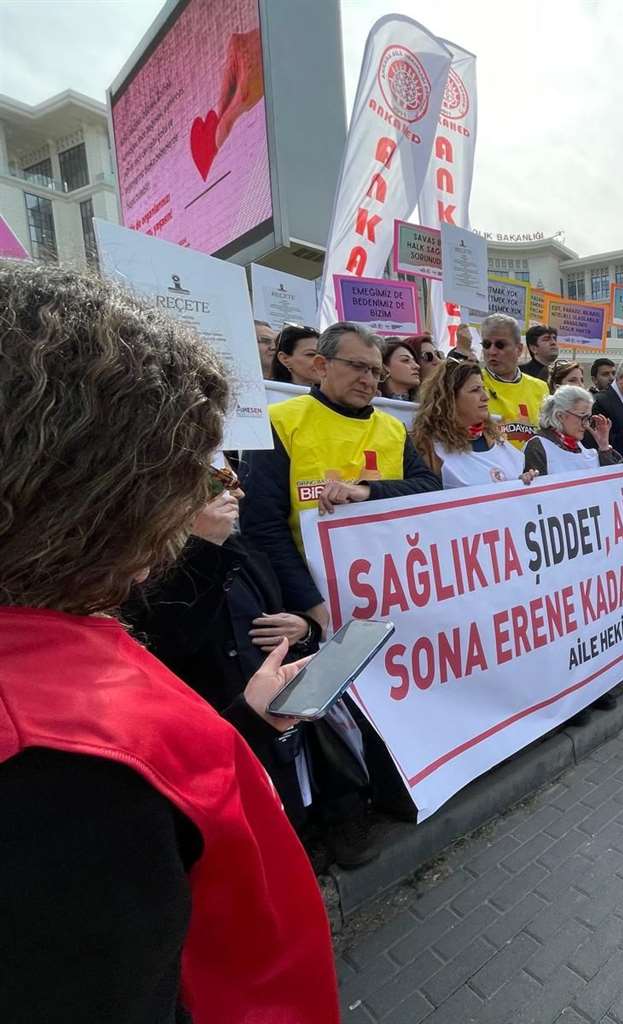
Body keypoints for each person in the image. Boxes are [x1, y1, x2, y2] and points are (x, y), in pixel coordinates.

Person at [0, 260, 338, 1022]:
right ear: (90, 484)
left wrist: (243, 728)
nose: (202, 494)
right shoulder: (60, 760)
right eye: (183, 470)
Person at [123, 473, 377, 868]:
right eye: (219, 486)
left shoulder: (246, 549)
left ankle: (327, 824)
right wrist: (202, 548)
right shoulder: (143, 572)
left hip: (277, 714)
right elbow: (168, 640)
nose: (237, 494)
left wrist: (302, 628)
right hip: (223, 718)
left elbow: (287, 613)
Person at [239, 321, 441, 632]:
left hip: (390, 594)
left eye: (376, 372)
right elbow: (262, 525)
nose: (368, 380)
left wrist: (366, 492)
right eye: (358, 367)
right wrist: (312, 604)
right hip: (311, 601)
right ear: (322, 365)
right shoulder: (280, 421)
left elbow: (428, 489)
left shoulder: (392, 429)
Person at [412, 359, 539, 488]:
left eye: (483, 389)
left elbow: (511, 481)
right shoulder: (430, 448)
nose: (485, 397)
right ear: (450, 398)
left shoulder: (496, 438)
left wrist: (523, 481)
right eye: (475, 390)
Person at [480, 313, 549, 448]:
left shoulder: (540, 387)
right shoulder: (474, 386)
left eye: (500, 345)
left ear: (519, 349)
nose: (492, 351)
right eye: (487, 344)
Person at [523, 385, 621, 476]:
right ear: (560, 416)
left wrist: (604, 447)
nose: (586, 425)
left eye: (588, 418)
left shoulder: (580, 444)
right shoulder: (538, 446)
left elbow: (612, 483)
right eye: (582, 417)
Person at [380, 336, 423, 401]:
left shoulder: (427, 406)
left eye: (414, 361)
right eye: (406, 360)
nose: (417, 366)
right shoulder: (369, 404)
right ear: (385, 367)